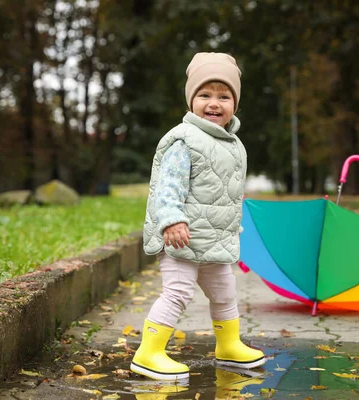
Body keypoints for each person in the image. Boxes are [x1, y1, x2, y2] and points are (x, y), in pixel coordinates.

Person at [130, 52, 265, 381]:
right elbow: (168, 187)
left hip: (214, 239)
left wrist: (233, 223)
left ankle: (229, 345)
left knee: (225, 292)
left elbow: (224, 192)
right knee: (178, 292)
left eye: (224, 96)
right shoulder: (184, 139)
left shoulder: (233, 144)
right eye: (205, 95)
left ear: (235, 102)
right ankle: (148, 353)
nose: (214, 103)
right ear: (191, 100)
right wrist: (172, 220)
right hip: (182, 236)